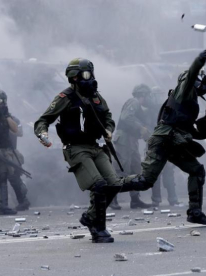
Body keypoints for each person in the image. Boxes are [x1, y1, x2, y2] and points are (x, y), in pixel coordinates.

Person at [34, 58, 135, 243]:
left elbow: (108, 117)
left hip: (95, 146)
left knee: (114, 184)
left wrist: (109, 130)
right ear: (74, 77)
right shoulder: (64, 98)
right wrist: (43, 135)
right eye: (85, 75)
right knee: (98, 185)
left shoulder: (96, 96)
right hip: (75, 148)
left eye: (91, 73)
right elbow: (43, 120)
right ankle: (99, 229)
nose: (89, 79)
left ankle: (90, 217)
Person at [123, 48, 206, 225]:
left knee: (196, 170)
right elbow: (190, 75)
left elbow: (182, 123)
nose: (203, 85)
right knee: (145, 181)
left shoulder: (188, 98)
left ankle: (195, 212)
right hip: (164, 141)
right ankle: (104, 188)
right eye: (200, 81)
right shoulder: (184, 89)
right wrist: (199, 61)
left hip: (173, 141)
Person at [109, 84, 153, 210]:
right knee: (121, 168)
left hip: (132, 140)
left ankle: (135, 200)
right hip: (124, 138)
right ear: (143, 95)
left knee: (135, 168)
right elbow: (126, 117)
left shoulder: (138, 107)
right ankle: (112, 199)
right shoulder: (133, 102)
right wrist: (140, 127)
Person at [0, 90, 19, 215]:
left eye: (1, 101)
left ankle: (4, 206)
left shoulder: (6, 114)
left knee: (3, 176)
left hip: (3, 150)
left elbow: (15, 129)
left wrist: (5, 115)